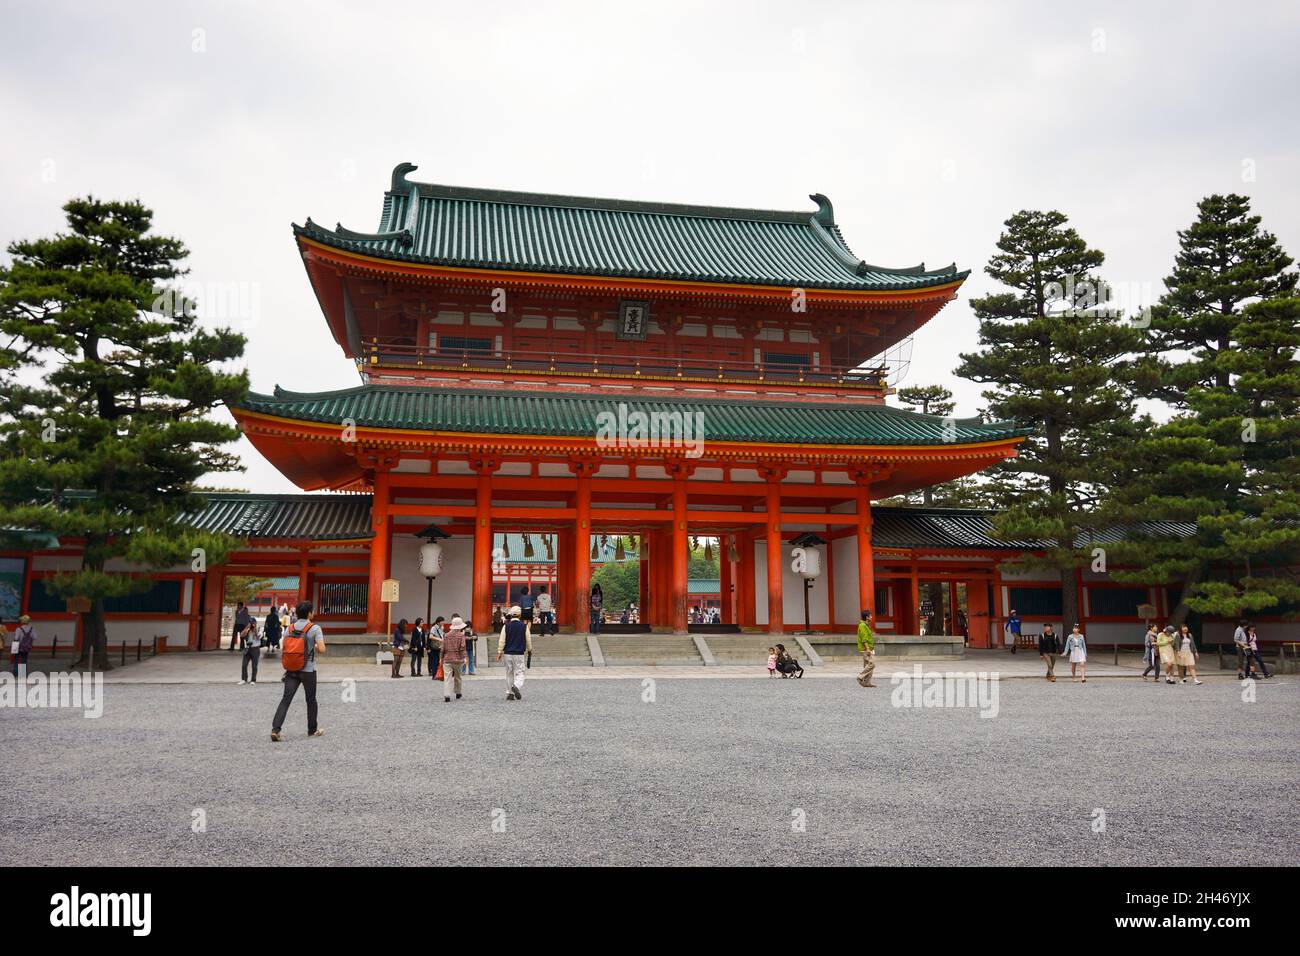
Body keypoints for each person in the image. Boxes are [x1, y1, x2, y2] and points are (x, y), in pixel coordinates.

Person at [271, 601, 326, 742]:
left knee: (286, 699)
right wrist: (311, 644)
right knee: (311, 699)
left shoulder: (289, 628)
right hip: (308, 669)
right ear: (309, 613)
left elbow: (285, 646)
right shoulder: (314, 628)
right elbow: (322, 649)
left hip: (291, 669)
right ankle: (312, 730)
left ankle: (276, 730)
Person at [497, 605, 533, 701]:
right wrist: (530, 649)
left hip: (507, 653)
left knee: (509, 673)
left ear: (511, 615)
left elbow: (502, 640)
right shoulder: (524, 627)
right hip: (519, 653)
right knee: (520, 672)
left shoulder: (506, 626)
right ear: (520, 615)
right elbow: (528, 640)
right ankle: (516, 686)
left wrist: (499, 651)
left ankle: (510, 693)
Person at [440, 615, 468, 703]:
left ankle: (447, 695)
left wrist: (441, 658)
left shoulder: (446, 635)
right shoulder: (461, 636)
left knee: (447, 678)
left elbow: (442, 648)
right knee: (458, 677)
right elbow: (462, 648)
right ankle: (458, 692)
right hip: (458, 660)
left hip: (447, 659)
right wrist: (465, 658)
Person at [238, 617, 262, 684]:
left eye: (253, 623)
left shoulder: (260, 629)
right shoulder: (247, 629)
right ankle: (244, 679)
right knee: (244, 665)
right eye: (250, 623)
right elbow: (241, 635)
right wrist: (246, 628)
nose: (251, 624)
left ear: (255, 623)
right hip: (248, 648)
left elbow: (258, 637)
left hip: (255, 649)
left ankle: (253, 680)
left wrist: (255, 629)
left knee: (254, 666)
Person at [856, 610, 876, 688]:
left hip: (869, 647)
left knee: (867, 665)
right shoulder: (863, 625)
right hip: (866, 648)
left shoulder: (866, 625)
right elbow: (864, 638)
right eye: (870, 616)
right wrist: (867, 648)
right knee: (872, 664)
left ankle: (867, 682)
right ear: (867, 617)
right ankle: (860, 676)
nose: (871, 617)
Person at [428, 616, 445, 680]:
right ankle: (434, 675)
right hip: (435, 647)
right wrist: (439, 639)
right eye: (442, 621)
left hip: (440, 646)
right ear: (438, 622)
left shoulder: (441, 628)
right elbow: (430, 636)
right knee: (435, 661)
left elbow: (442, 635)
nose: (443, 622)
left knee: (439, 661)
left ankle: (438, 675)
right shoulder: (434, 628)